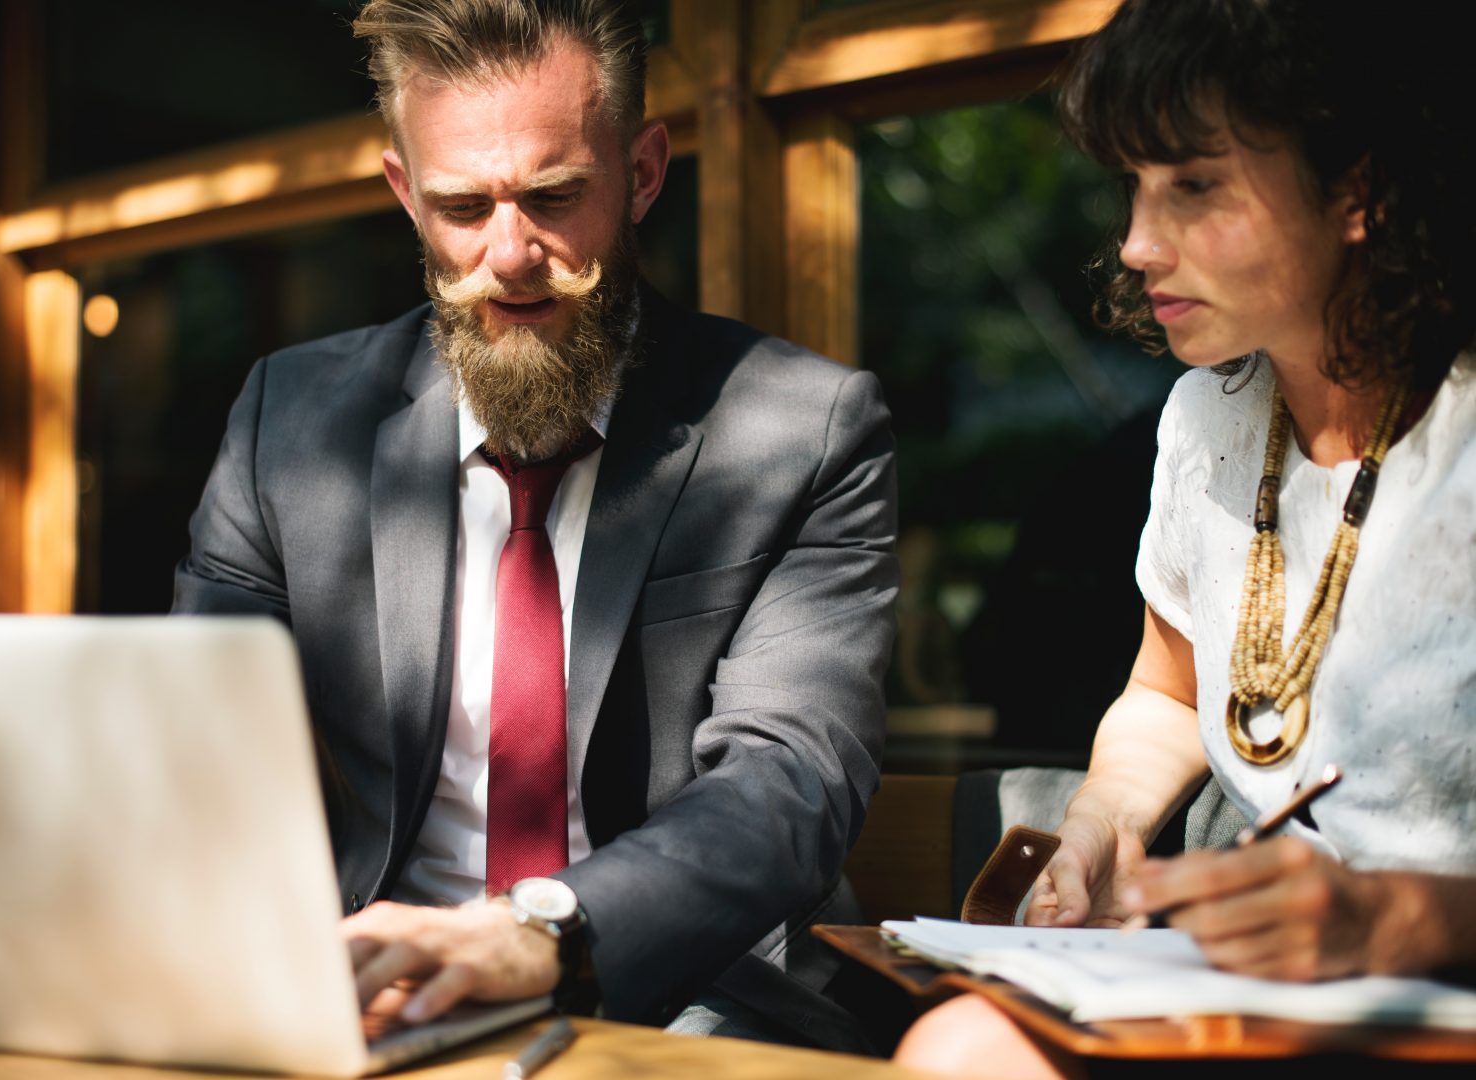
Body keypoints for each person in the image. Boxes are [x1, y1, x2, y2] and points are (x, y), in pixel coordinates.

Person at [172, 0, 897, 1053]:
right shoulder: (289, 422)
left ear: (643, 173)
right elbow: (198, 748)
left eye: (553, 197)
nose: (509, 255)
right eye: (461, 207)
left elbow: (787, 784)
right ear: (402, 193)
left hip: (686, 992)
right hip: (374, 988)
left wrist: (536, 932)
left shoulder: (804, 429)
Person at [894, 1, 1476, 1075]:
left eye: (1193, 186)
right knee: (960, 1047)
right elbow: (1165, 695)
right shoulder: (1209, 418)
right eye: (1131, 186)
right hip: (1244, 998)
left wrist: (1393, 918)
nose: (1134, 242)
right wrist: (1100, 822)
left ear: (1361, 186)